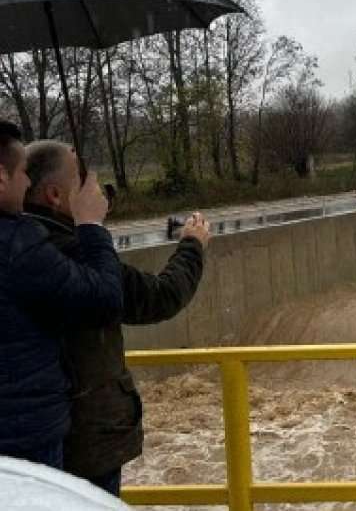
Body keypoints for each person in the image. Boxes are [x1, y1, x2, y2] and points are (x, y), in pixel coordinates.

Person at [24, 140, 211, 496]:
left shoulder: (17, 247)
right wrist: (192, 245)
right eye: (84, 181)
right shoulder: (76, 255)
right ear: (55, 195)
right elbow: (160, 297)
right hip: (87, 442)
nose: (96, 189)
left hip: (31, 447)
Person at [0, 120, 123, 470]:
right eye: (22, 172)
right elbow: (105, 302)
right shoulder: (18, 245)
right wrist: (91, 226)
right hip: (23, 440)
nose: (27, 181)